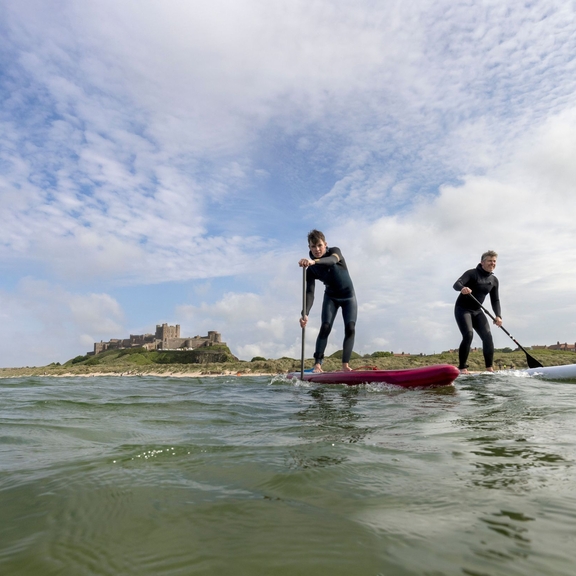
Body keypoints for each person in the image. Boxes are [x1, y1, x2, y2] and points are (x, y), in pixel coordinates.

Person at [298, 230, 357, 373]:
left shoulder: (335, 252)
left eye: (319, 245)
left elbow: (331, 261)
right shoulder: (311, 269)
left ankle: (345, 366)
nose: (317, 249)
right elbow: (310, 292)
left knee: (350, 328)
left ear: (325, 244)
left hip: (349, 297)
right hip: (331, 297)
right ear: (309, 247)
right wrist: (305, 313)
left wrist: (313, 261)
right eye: (313, 246)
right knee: (325, 326)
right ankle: (317, 365)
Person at [453, 250, 503, 374]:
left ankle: (489, 369)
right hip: (462, 309)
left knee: (487, 336)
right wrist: (462, 288)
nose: (492, 263)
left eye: (494, 261)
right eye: (489, 261)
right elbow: (456, 284)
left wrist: (498, 316)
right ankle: (462, 368)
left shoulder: (494, 280)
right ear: (482, 262)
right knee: (468, 334)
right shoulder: (472, 273)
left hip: (477, 311)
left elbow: (495, 300)